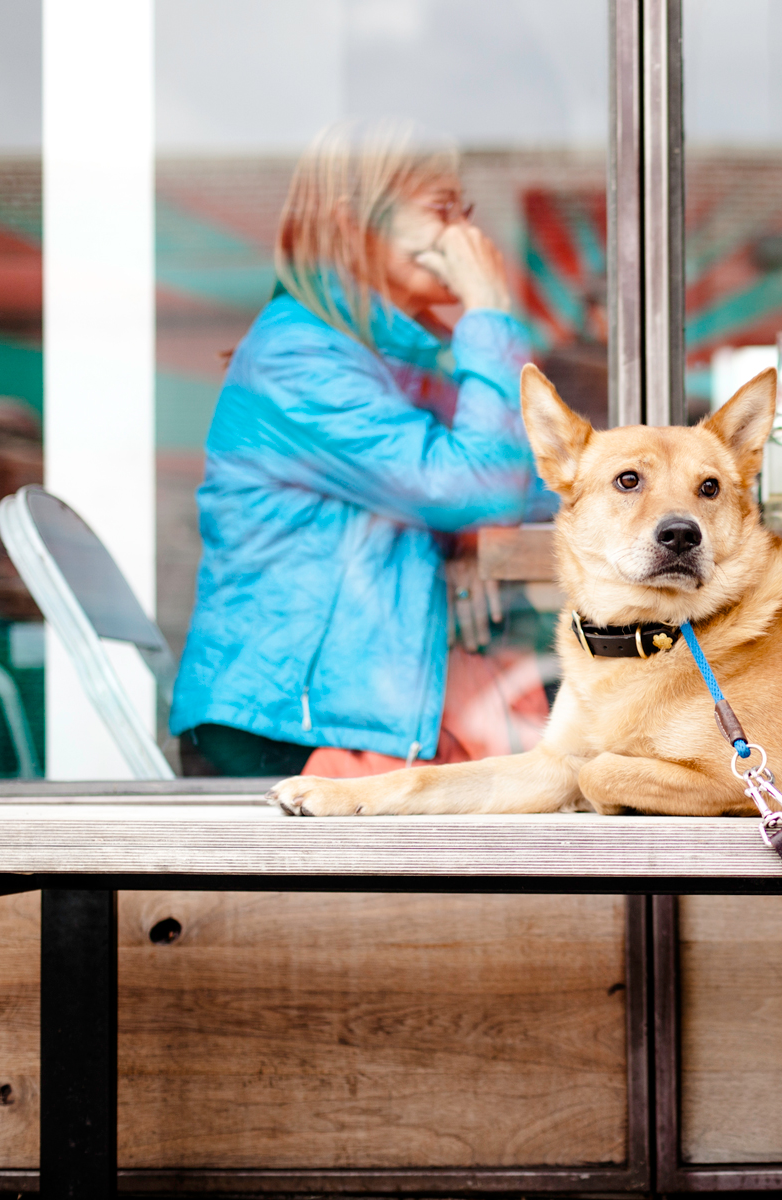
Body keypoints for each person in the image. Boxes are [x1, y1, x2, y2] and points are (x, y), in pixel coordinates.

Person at [170, 122, 557, 777]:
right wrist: (488, 312)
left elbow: (521, 488)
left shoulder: (390, 361)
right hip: (284, 734)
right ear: (354, 228)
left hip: (349, 721)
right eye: (440, 211)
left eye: (466, 213)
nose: (465, 237)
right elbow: (475, 490)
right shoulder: (301, 357)